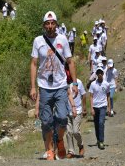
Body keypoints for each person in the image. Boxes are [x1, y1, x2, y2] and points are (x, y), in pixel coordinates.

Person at [30, 11, 79, 160]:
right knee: (46, 121)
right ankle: (50, 149)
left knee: (63, 117)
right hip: (44, 86)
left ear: (56, 24)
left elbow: (70, 62)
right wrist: (33, 87)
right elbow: (33, 64)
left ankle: (59, 139)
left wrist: (75, 83)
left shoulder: (63, 39)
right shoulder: (38, 40)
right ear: (44, 25)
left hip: (60, 85)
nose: (50, 26)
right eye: (47, 23)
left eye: (53, 23)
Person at [89, 67, 111, 150]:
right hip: (95, 106)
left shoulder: (106, 84)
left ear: (103, 73)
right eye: (98, 73)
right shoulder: (93, 84)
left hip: (103, 106)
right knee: (96, 124)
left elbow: (108, 96)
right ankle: (98, 139)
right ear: (96, 74)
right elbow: (91, 96)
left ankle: (101, 141)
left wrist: (109, 108)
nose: (99, 74)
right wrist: (91, 108)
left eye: (101, 72)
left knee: (101, 122)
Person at [66, 79, 86, 158]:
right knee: (68, 132)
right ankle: (71, 151)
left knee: (75, 131)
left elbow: (84, 95)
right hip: (67, 111)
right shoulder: (62, 81)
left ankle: (81, 145)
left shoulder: (79, 82)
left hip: (77, 111)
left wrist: (84, 108)